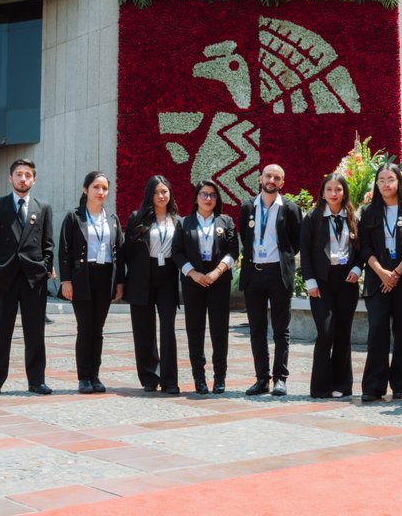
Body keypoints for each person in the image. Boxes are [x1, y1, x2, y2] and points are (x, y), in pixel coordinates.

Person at [0, 158, 55, 397]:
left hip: (34, 278)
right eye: (19, 174)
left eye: (28, 175)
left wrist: (45, 267)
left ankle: (36, 380)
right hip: (3, 278)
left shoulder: (43, 207)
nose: (23, 179)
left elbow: (48, 244)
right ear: (10, 178)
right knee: (1, 331)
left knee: (35, 332)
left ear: (34, 179)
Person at [237, 164, 303, 396]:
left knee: (280, 329)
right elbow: (245, 237)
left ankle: (280, 379)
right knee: (257, 329)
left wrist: (280, 259)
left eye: (277, 177)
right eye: (268, 176)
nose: (272, 180)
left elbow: (295, 243)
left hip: (278, 274)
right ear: (260, 178)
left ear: (282, 183)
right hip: (254, 273)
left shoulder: (291, 209)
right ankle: (261, 378)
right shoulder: (247, 207)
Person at [58, 171, 124, 395]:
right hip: (82, 278)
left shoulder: (112, 219)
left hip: (106, 277)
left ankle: (95, 375)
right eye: (96, 187)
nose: (101, 192)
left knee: (98, 329)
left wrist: (120, 282)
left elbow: (121, 254)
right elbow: (64, 251)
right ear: (85, 190)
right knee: (85, 328)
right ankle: (83, 377)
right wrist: (66, 280)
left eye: (104, 188)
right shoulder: (74, 216)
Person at [358, 162, 402, 401]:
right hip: (377, 280)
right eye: (381, 180)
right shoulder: (369, 212)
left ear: (399, 182)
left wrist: (395, 274)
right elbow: (363, 247)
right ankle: (373, 386)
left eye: (390, 180)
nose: (386, 184)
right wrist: (383, 272)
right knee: (377, 333)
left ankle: (400, 384)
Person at [172, 179, 239, 395]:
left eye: (212, 194)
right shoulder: (184, 223)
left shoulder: (226, 221)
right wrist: (194, 273)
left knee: (219, 332)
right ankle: (199, 380)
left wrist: (217, 271)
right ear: (196, 197)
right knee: (195, 331)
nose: (208, 198)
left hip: (219, 282)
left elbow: (233, 251)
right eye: (204, 194)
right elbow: (177, 252)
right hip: (193, 284)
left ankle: (220, 379)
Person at [300, 173, 361, 399]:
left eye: (338, 189)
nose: (334, 194)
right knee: (326, 332)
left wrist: (357, 269)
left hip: (347, 280)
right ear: (323, 193)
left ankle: (342, 385)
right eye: (329, 190)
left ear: (344, 192)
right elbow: (305, 252)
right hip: (321, 282)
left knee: (343, 334)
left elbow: (361, 249)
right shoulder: (313, 217)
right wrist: (310, 281)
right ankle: (320, 387)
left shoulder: (353, 216)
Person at [121, 175, 183, 394]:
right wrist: (122, 281)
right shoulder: (137, 218)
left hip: (167, 276)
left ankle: (170, 380)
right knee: (144, 329)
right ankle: (149, 376)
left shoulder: (177, 220)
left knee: (168, 328)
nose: (161, 196)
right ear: (150, 194)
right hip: (141, 277)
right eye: (157, 192)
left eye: (165, 191)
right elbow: (125, 253)